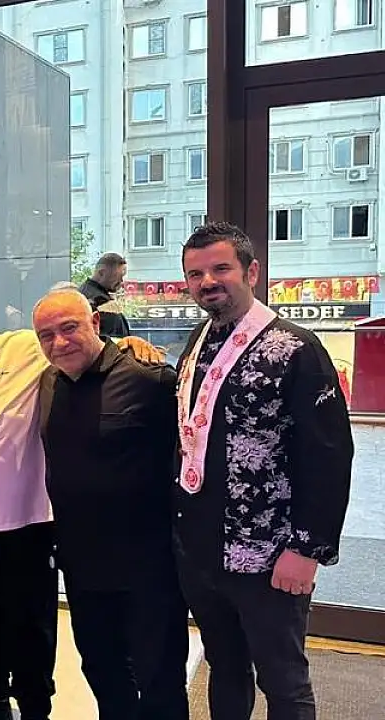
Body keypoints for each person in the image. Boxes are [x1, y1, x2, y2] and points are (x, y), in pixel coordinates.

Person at [0, 281, 161, 720]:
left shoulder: (22, 349)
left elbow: (78, 348)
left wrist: (125, 345)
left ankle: (35, 707)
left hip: (20, 523)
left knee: (29, 629)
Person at [174, 222, 353, 720]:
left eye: (220, 269)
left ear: (251, 272)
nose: (207, 281)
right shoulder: (199, 340)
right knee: (225, 668)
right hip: (205, 550)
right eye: (195, 274)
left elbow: (330, 455)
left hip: (269, 555)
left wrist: (307, 549)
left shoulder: (297, 348)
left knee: (283, 681)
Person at [32, 288, 188, 720]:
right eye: (46, 335)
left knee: (159, 679)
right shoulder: (48, 382)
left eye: (69, 328)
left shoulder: (151, 380)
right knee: (102, 670)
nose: (59, 342)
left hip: (148, 567)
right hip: (82, 566)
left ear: (96, 324)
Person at [78, 253, 131, 339]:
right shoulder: (100, 301)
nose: (121, 281)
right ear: (102, 273)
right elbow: (111, 341)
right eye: (119, 276)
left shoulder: (82, 294)